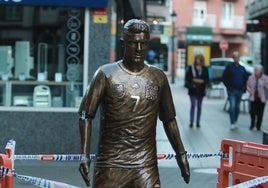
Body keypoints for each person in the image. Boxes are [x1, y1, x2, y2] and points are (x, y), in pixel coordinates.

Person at [78, 19, 190, 188]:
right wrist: (84, 154)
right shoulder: (106, 74)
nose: (139, 49)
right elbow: (86, 114)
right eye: (133, 43)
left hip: (145, 164)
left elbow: (169, 119)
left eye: (143, 43)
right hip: (111, 163)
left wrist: (181, 154)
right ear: (123, 43)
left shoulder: (158, 77)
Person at [222, 51, 248, 130]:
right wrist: (229, 87)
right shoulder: (229, 67)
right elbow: (224, 78)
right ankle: (232, 122)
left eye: (238, 57)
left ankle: (235, 121)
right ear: (233, 58)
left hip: (239, 90)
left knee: (237, 107)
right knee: (232, 106)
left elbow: (245, 78)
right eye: (235, 57)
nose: (237, 58)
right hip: (232, 91)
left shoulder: (242, 68)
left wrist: (244, 87)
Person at [185, 54, 209, 128]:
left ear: (202, 60)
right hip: (193, 89)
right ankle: (191, 121)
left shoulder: (205, 68)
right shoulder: (191, 68)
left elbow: (207, 79)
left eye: (199, 59)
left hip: (201, 90)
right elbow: (187, 77)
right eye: (196, 59)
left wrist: (202, 81)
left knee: (199, 106)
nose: (197, 60)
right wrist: (193, 80)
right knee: (193, 105)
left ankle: (198, 122)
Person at [247, 64, 268, 131]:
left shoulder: (265, 78)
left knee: (260, 113)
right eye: (255, 70)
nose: (255, 71)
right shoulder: (251, 77)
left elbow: (267, 86)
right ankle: (252, 124)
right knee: (252, 112)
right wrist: (250, 91)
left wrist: (264, 86)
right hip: (253, 97)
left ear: (260, 71)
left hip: (262, 98)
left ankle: (258, 125)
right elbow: (248, 86)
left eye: (257, 70)